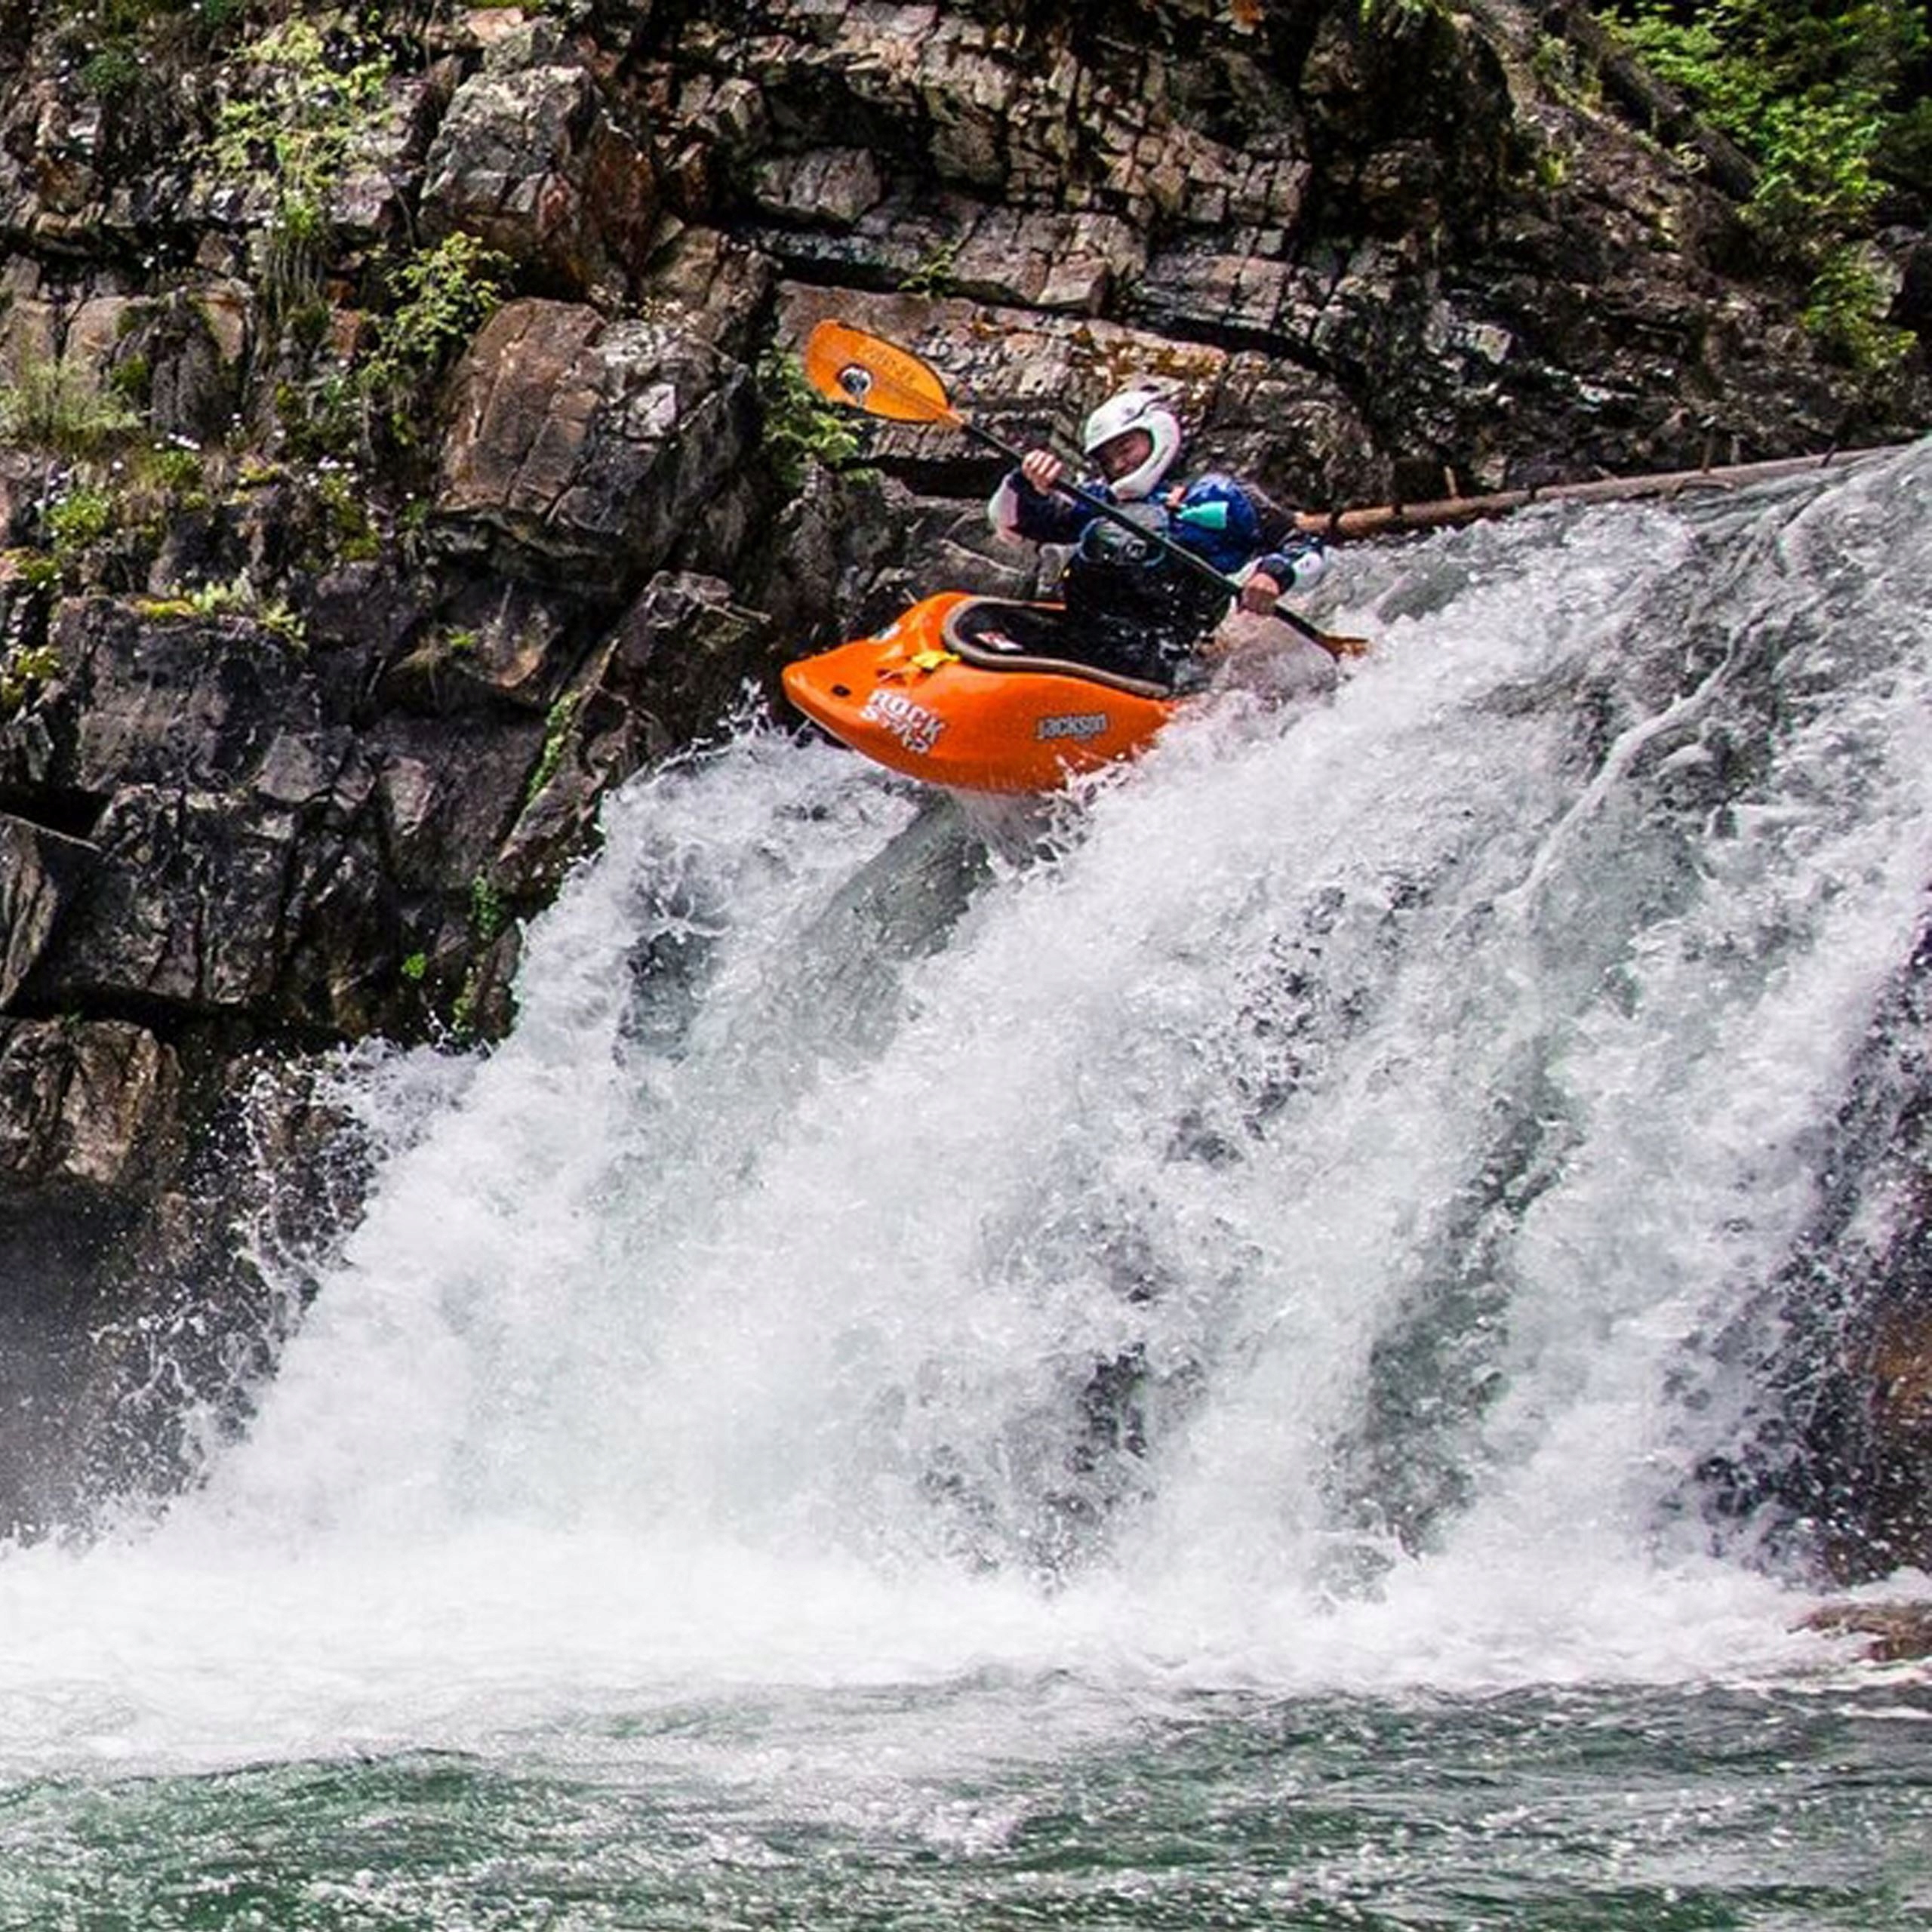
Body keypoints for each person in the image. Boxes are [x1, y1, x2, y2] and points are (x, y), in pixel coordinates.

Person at [985, 385, 1331, 691]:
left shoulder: (1220, 495)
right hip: (1091, 641)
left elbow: (1303, 544)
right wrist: (1026, 483)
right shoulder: (1100, 500)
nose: (1119, 465)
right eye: (1108, 459)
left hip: (1169, 661)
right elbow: (1012, 526)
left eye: (1126, 449)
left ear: (1157, 433)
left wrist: (1271, 575)